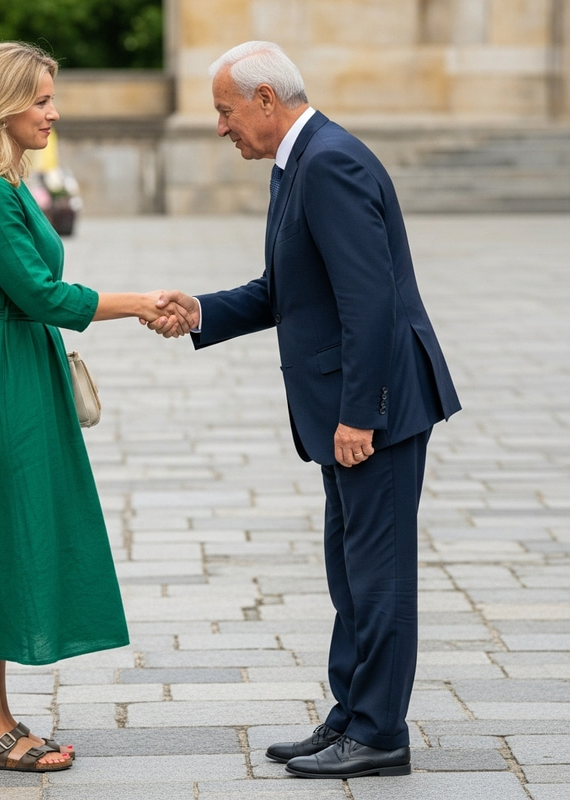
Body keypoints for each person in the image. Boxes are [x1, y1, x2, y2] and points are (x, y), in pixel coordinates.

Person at [149, 41, 461, 779]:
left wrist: (361, 414)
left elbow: (369, 298)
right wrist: (200, 311)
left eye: (225, 111)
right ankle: (352, 714)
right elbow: (284, 289)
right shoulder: (300, 163)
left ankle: (380, 734)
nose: (221, 127)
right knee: (350, 572)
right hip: (344, 410)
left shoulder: (329, 163)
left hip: (373, 410)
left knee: (377, 577)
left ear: (265, 101)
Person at [0, 41, 191, 773]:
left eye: (53, 97)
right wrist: (142, 302)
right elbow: (41, 295)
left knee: (13, 536)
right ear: (1, 104)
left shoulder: (8, 183)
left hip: (22, 369)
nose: (54, 112)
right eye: (41, 99)